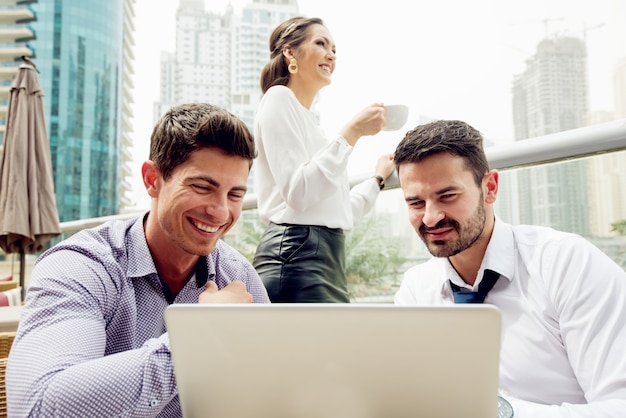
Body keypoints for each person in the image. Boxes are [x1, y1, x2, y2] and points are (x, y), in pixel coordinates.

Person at [6, 103, 270, 417]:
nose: (221, 211)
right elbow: (40, 409)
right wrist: (202, 335)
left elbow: (269, 389)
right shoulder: (81, 266)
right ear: (152, 179)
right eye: (202, 187)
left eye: (235, 195)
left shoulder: (239, 277)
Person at [393, 119, 626, 417]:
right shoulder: (416, 289)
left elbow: (620, 406)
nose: (430, 217)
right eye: (415, 203)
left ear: (490, 188)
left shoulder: (567, 263)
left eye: (447, 196)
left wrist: (498, 412)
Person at [252, 16, 396, 303]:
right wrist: (352, 132)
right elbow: (299, 192)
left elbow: (340, 211)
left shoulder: (312, 125)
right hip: (296, 255)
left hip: (326, 257)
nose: (331, 54)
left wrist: (376, 180)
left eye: (334, 49)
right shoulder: (279, 98)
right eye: (321, 43)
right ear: (290, 53)